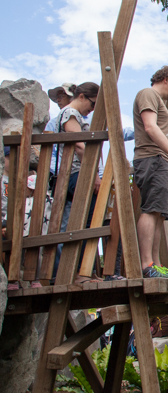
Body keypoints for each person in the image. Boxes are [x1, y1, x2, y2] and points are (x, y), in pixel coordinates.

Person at [132, 66, 168, 279]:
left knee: (159, 214)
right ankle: (146, 264)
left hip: (163, 162)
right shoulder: (148, 94)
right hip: (152, 158)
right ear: (166, 79)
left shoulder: (160, 102)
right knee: (151, 210)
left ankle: (156, 265)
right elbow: (150, 127)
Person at [55, 83, 103, 283]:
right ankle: (78, 272)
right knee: (87, 221)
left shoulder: (75, 115)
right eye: (92, 105)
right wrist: (93, 176)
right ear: (82, 96)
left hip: (76, 173)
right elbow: (79, 145)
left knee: (86, 221)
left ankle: (86, 271)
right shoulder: (70, 113)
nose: (92, 110)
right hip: (76, 173)